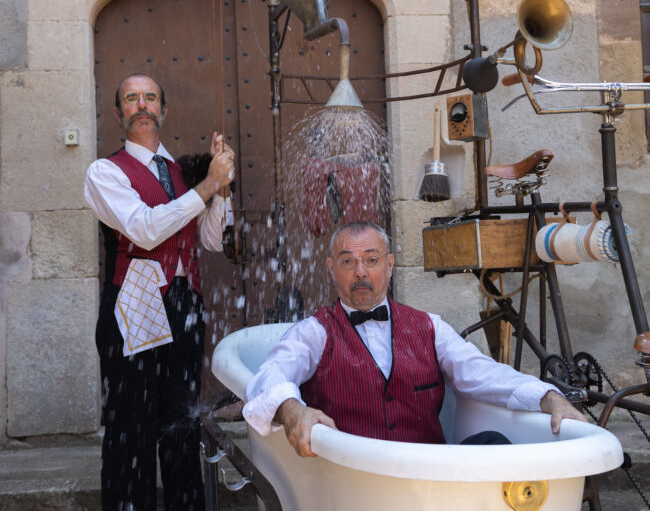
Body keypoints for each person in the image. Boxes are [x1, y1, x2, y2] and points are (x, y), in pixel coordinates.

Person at [243, 221, 585, 458]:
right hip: (355, 481)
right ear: (332, 269)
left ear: (390, 265)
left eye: (371, 260)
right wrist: (293, 411)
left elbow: (483, 373)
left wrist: (549, 397)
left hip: (428, 477)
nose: (360, 272)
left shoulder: (429, 327)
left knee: (494, 443)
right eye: (348, 262)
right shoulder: (314, 331)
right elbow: (270, 375)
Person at [85, 74, 235, 510]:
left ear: (163, 110)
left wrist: (221, 189)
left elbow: (211, 240)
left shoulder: (182, 172)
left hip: (185, 302)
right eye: (131, 98)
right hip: (133, 302)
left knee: (182, 423)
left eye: (150, 97)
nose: (142, 104)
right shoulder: (105, 172)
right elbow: (145, 230)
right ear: (119, 113)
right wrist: (207, 186)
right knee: (130, 427)